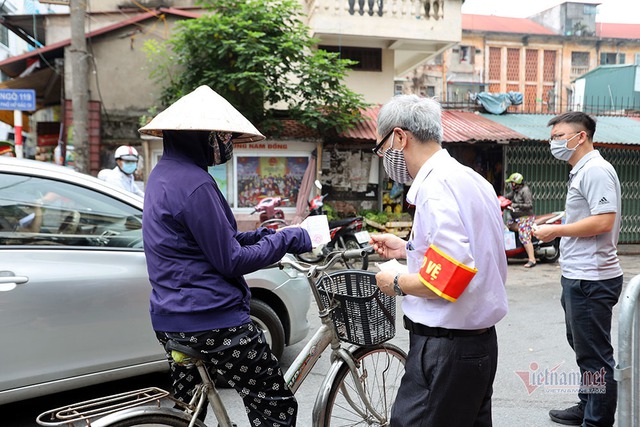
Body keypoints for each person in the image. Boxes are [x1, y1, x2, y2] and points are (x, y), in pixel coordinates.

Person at [139, 85, 311, 427]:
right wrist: (288, 240)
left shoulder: (163, 175)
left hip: (171, 317)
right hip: (212, 319)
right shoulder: (196, 184)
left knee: (190, 411)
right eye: (219, 135)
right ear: (199, 137)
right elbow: (230, 260)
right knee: (274, 405)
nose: (224, 142)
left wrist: (265, 236)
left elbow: (209, 241)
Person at [369, 94, 508, 427]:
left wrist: (396, 282)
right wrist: (407, 248)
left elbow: (449, 278)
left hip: (445, 350)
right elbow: (473, 249)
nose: (384, 157)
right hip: (477, 344)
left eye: (381, 147)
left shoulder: (435, 187)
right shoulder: (471, 179)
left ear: (400, 137)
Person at [534, 111, 623, 427]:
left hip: (592, 278)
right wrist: (558, 221)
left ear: (580, 136)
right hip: (578, 274)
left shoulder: (596, 170)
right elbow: (588, 214)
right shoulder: (582, 170)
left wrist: (556, 232)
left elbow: (603, 221)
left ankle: (596, 420)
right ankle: (588, 405)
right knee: (583, 347)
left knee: (595, 355)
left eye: (558, 136)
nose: (554, 143)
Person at [504, 172, 537, 268]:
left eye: (512, 183)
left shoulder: (525, 190)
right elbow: (507, 197)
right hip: (516, 218)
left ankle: (532, 259)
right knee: (508, 226)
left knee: (524, 235)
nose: (511, 185)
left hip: (525, 218)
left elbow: (529, 205)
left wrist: (515, 205)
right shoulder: (515, 191)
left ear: (516, 183)